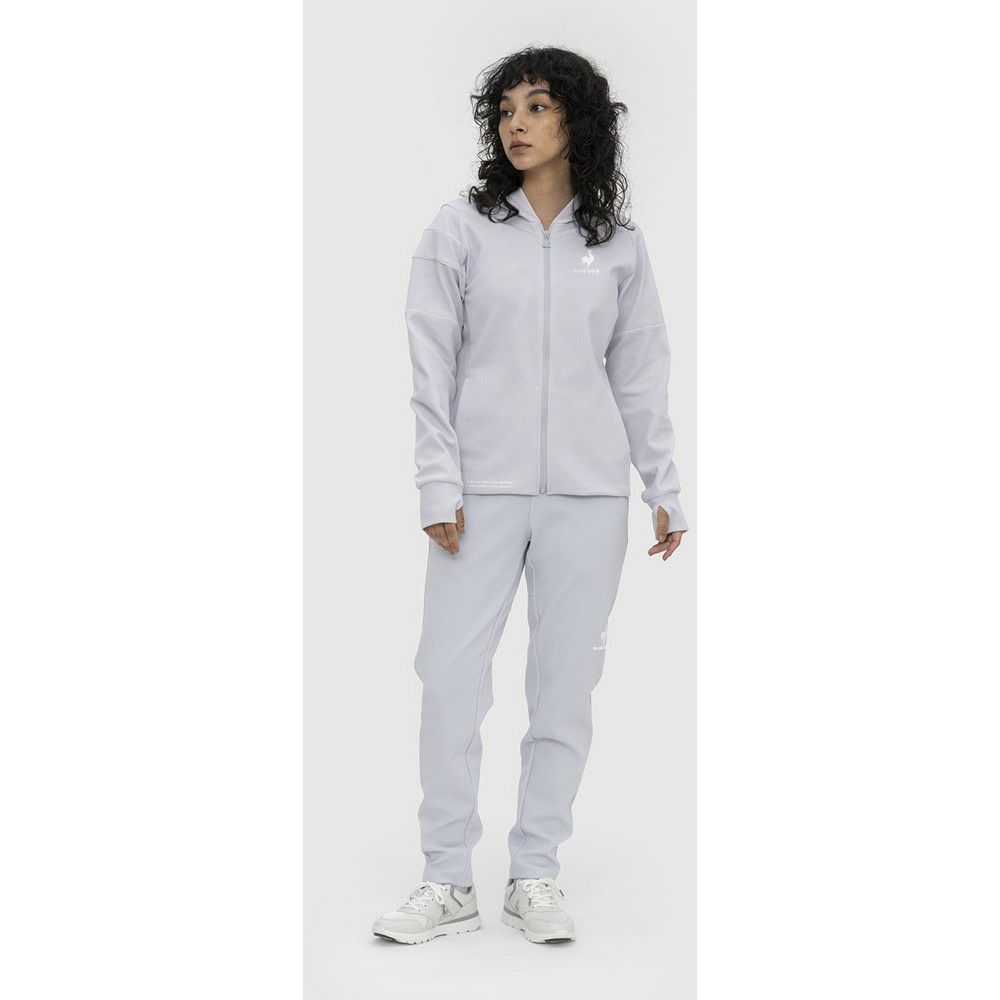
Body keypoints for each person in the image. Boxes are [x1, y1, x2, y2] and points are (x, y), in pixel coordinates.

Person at [372, 46, 689, 946]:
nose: (517, 123)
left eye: (538, 106)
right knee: (448, 682)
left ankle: (535, 872)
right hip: (478, 494)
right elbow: (430, 366)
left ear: (577, 121)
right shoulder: (459, 230)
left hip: (588, 498)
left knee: (564, 689)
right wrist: (438, 479)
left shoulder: (617, 245)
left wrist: (663, 485)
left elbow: (640, 373)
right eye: (506, 109)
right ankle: (446, 879)